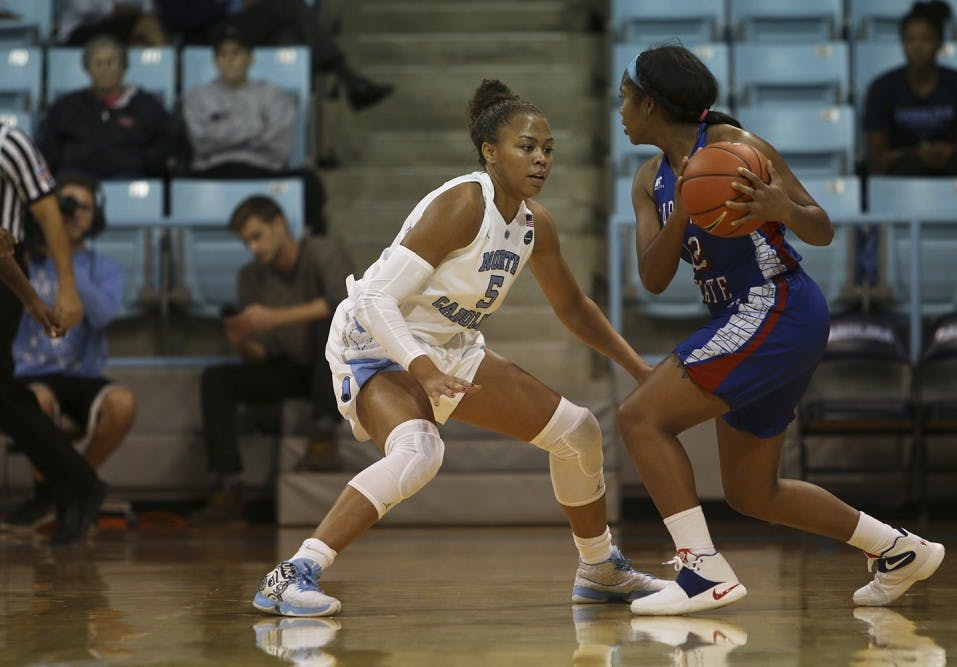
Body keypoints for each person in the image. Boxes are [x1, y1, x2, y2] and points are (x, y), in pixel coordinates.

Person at [251, 79, 666, 618]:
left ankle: (600, 569)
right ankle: (293, 573)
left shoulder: (535, 225)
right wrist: (422, 372)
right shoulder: (463, 203)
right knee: (419, 452)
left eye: (548, 149)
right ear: (490, 152)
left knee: (579, 432)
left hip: (449, 344)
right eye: (526, 147)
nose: (541, 159)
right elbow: (377, 298)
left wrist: (639, 368)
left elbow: (574, 308)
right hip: (372, 338)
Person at [614, 44, 945, 616]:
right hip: (745, 318)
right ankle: (897, 550)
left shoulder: (736, 149)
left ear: (649, 103)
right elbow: (653, 276)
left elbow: (820, 228)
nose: (619, 109)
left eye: (624, 97)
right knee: (751, 492)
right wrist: (687, 212)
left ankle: (701, 570)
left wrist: (777, 205)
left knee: (639, 417)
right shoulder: (648, 179)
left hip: (776, 304)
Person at [192, 195, 353, 524]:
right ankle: (228, 484)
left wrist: (274, 318)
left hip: (336, 368)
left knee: (332, 323)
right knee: (216, 379)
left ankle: (323, 437)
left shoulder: (323, 251)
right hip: (290, 366)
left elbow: (346, 303)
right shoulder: (249, 277)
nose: (252, 247)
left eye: (257, 236)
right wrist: (243, 340)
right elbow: (262, 354)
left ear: (279, 224)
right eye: (246, 241)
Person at [6, 174, 135, 530]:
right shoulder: (23, 259)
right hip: (29, 373)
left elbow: (104, 313)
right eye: (66, 205)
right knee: (39, 402)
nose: (73, 214)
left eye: (84, 207)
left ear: (97, 216)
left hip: (82, 375)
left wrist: (68, 268)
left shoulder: (105, 267)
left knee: (122, 403)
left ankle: (71, 487)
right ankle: (49, 492)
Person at [0, 122, 107, 546]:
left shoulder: (9, 141)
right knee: (4, 396)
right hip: (8, 270)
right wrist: (31, 301)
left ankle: (74, 485)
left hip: (5, 273)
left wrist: (64, 288)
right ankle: (73, 484)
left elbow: (46, 213)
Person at [183, 25, 329, 234]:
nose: (230, 59)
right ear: (215, 61)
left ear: (250, 58)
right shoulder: (197, 96)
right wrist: (258, 126)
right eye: (223, 54)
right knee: (169, 185)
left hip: (262, 168)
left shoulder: (274, 94)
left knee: (311, 185)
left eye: (236, 53)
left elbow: (280, 144)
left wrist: (223, 130)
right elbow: (200, 141)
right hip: (213, 169)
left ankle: (310, 251)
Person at [156, 0, 394, 110]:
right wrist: (233, 4)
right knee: (288, 6)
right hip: (207, 35)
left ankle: (290, 108)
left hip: (247, 27)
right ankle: (347, 78)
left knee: (288, 35)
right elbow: (176, 17)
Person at [864, 1, 957, 176]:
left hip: (950, 169)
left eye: (926, 39)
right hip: (905, 172)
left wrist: (943, 152)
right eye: (910, 39)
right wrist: (916, 154)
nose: (917, 47)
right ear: (902, 44)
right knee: (908, 167)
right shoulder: (881, 88)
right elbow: (876, 159)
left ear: (939, 43)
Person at [36, 35, 186, 180]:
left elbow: (165, 147)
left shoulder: (148, 106)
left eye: (110, 62)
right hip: (76, 182)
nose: (104, 69)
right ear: (87, 68)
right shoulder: (66, 107)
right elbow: (47, 150)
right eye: (98, 63)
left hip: (129, 180)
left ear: (124, 67)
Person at [56, 0, 170, 46]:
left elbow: (149, 9)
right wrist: (122, 9)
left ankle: (169, 77)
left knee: (149, 26)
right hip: (81, 30)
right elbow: (83, 7)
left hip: (122, 26)